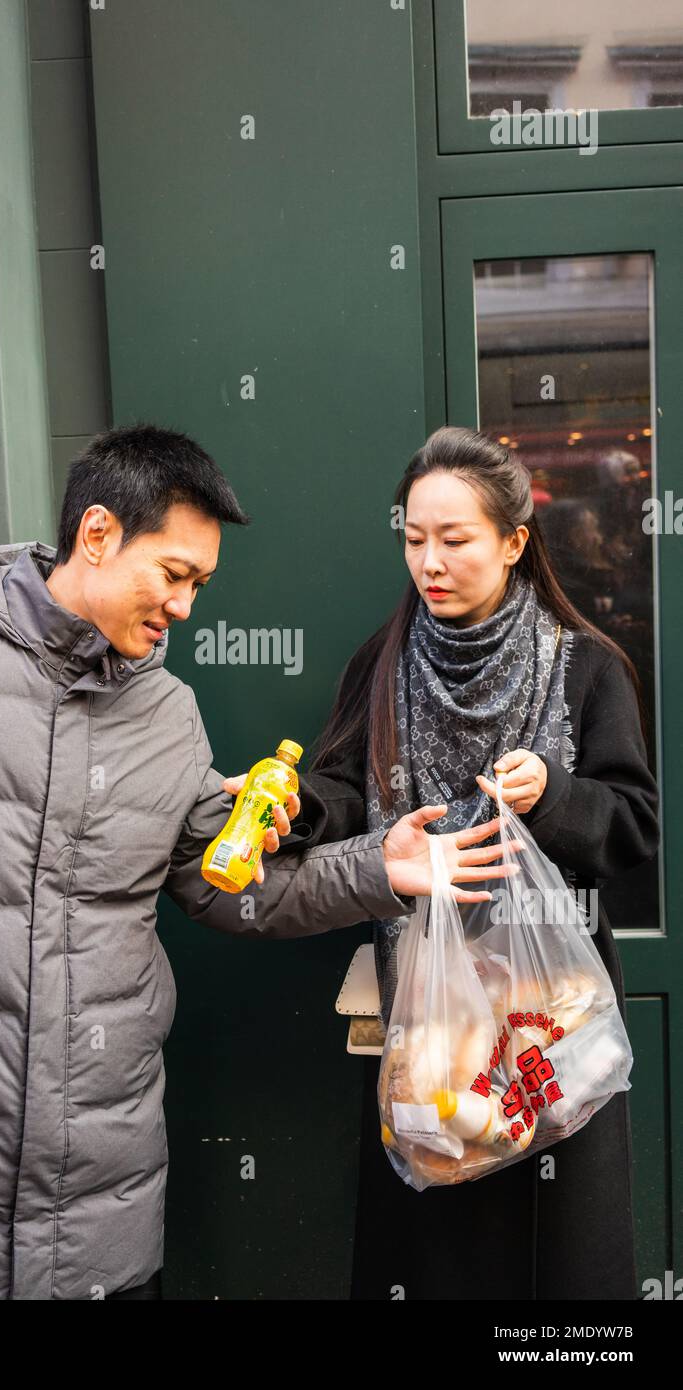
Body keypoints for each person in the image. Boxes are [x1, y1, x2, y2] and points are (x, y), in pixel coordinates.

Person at [0, 423, 517, 1301]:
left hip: (100, 1224)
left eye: (201, 585)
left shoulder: (169, 710)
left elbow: (219, 889)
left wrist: (382, 868)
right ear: (99, 534)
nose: (186, 607)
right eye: (175, 575)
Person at [277, 425, 660, 1301]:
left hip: (547, 1025)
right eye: (414, 540)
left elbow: (632, 828)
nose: (429, 563)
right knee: (434, 1239)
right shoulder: (380, 662)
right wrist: (293, 808)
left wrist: (552, 796)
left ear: (514, 543)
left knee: (553, 1266)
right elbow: (340, 790)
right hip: (424, 1012)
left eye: (454, 541)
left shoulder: (585, 668)